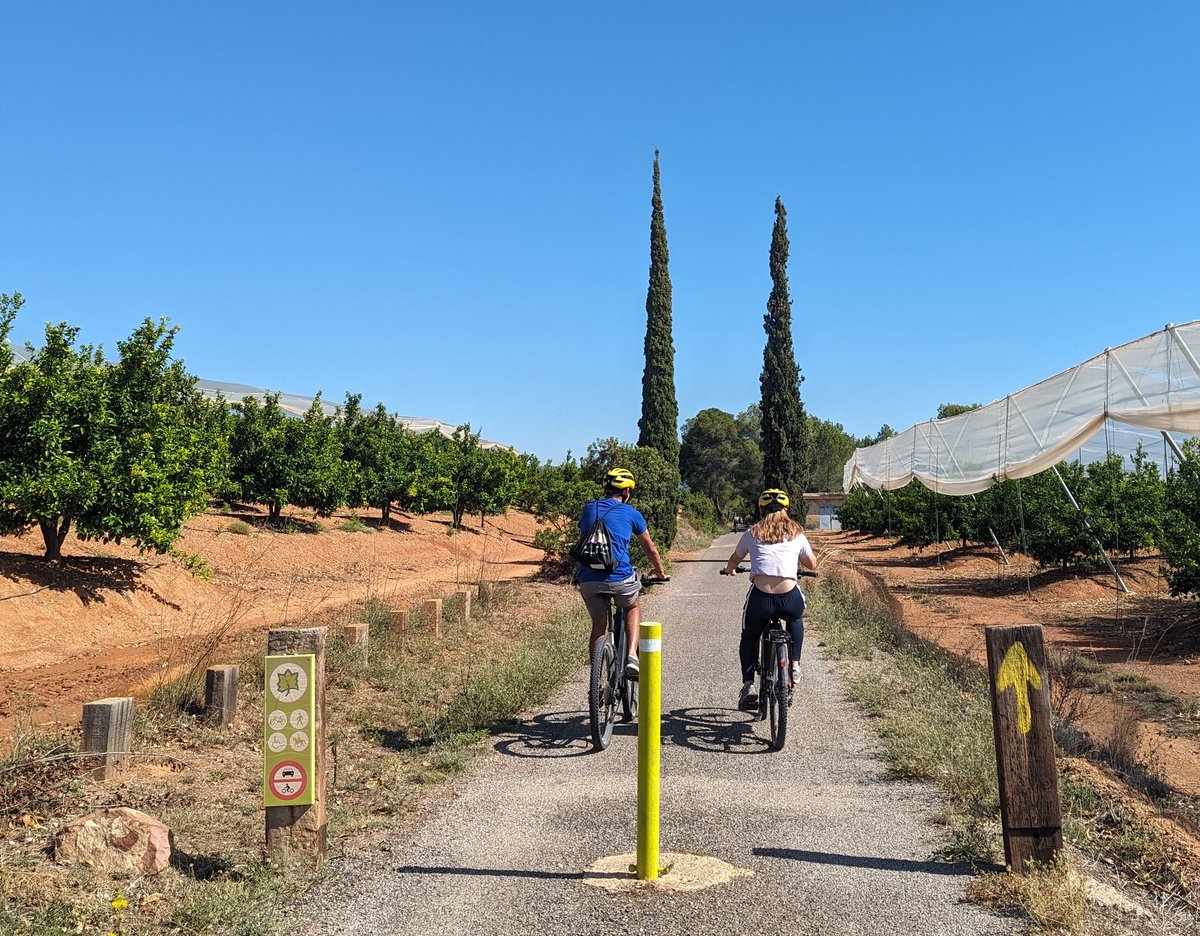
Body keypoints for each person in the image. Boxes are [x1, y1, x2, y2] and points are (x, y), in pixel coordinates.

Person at [721, 488, 817, 710]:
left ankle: (748, 685)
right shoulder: (797, 534)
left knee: (749, 637)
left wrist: (729, 570)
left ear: (762, 509)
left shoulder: (752, 533)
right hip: (789, 597)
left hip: (761, 599)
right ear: (786, 509)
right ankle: (794, 664)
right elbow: (812, 564)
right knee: (795, 618)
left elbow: (735, 558)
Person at [576, 467, 669, 677]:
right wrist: (660, 572)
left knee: (598, 624)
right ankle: (631, 657)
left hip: (588, 578)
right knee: (632, 606)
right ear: (626, 492)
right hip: (619, 577)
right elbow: (650, 548)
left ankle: (597, 678)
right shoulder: (632, 513)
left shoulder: (589, 508)